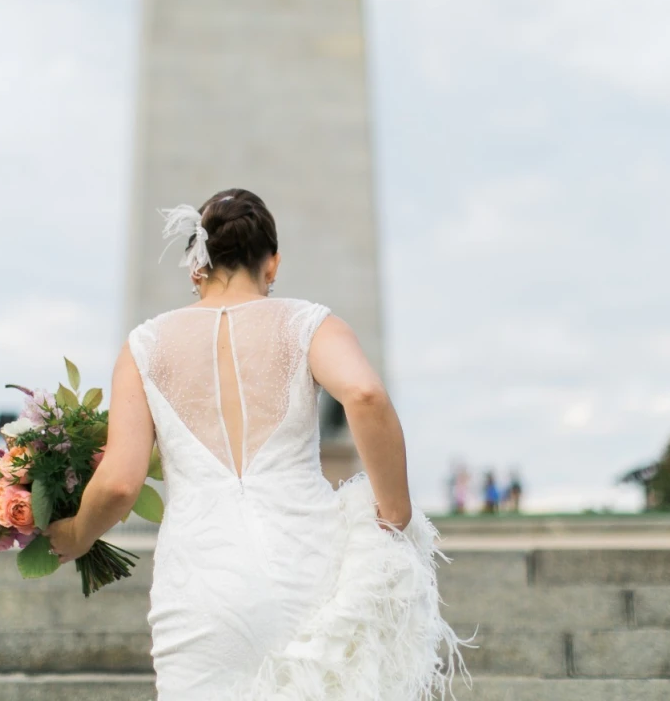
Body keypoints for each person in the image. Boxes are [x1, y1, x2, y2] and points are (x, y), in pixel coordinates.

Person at [48, 189, 466, 700]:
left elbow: (118, 483)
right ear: (273, 263)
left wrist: (75, 534)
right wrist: (395, 514)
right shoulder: (309, 324)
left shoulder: (145, 346)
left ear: (195, 266)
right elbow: (366, 394)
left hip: (201, 582)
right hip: (309, 565)